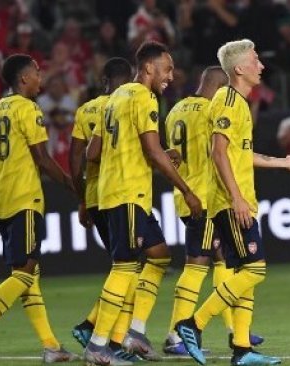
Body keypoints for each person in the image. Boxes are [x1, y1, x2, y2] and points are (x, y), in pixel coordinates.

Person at [174, 39, 290, 366]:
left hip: (239, 199)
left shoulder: (238, 104)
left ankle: (243, 349)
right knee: (255, 270)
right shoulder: (227, 100)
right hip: (229, 202)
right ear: (239, 69)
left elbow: (239, 154)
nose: (261, 65)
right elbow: (218, 153)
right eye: (255, 60)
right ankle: (193, 324)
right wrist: (236, 198)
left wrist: (282, 163)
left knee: (246, 272)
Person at [0, 54, 78, 366]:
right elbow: (43, 158)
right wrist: (72, 184)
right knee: (24, 273)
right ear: (23, 79)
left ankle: (50, 346)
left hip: (3, 203)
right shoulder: (28, 109)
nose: (40, 77)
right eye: (36, 72)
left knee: (28, 274)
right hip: (25, 200)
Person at [83, 41, 202, 365]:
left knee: (159, 256)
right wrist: (187, 190)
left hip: (112, 191)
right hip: (127, 193)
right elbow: (150, 150)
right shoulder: (144, 97)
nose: (171, 75)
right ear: (149, 68)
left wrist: (155, 155)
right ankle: (97, 344)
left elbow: (91, 153)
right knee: (124, 267)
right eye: (167, 68)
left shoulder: (114, 98)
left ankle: (134, 332)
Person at [163, 66, 264, 356]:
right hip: (204, 198)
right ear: (220, 87)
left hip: (184, 193)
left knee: (223, 261)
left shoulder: (175, 110)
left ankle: (237, 331)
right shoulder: (212, 111)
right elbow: (221, 152)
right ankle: (177, 333)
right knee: (198, 263)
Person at [68, 57, 140, 364]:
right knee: (128, 267)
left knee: (123, 265)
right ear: (129, 79)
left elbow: (75, 162)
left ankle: (104, 334)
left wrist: (82, 200)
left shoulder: (86, 110)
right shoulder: (129, 104)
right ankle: (103, 336)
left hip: (96, 197)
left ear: (104, 80)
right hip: (121, 192)